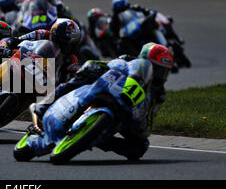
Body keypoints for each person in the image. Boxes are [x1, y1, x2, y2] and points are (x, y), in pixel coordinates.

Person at [14, 42, 173, 162]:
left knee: (140, 148)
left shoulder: (159, 94)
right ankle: (45, 104)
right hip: (109, 88)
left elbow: (150, 117)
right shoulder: (128, 61)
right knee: (80, 79)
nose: (160, 75)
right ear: (144, 61)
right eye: (157, 69)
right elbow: (109, 64)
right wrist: (95, 67)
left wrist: (142, 128)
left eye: (163, 71)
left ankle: (96, 138)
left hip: (127, 111)